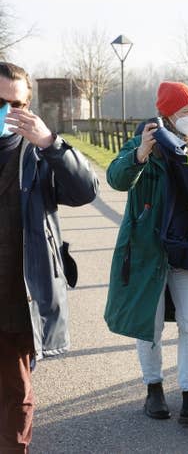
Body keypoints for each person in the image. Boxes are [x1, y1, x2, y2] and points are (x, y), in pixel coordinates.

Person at [104, 81, 188, 425]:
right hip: (150, 251)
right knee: (151, 325)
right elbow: (116, 178)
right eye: (184, 112)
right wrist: (140, 154)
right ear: (167, 115)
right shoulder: (145, 143)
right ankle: (154, 391)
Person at [0, 61, 98, 453]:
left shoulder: (39, 153)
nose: (6, 111)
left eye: (15, 103)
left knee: (14, 389)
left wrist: (51, 144)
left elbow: (84, 191)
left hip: (17, 292)